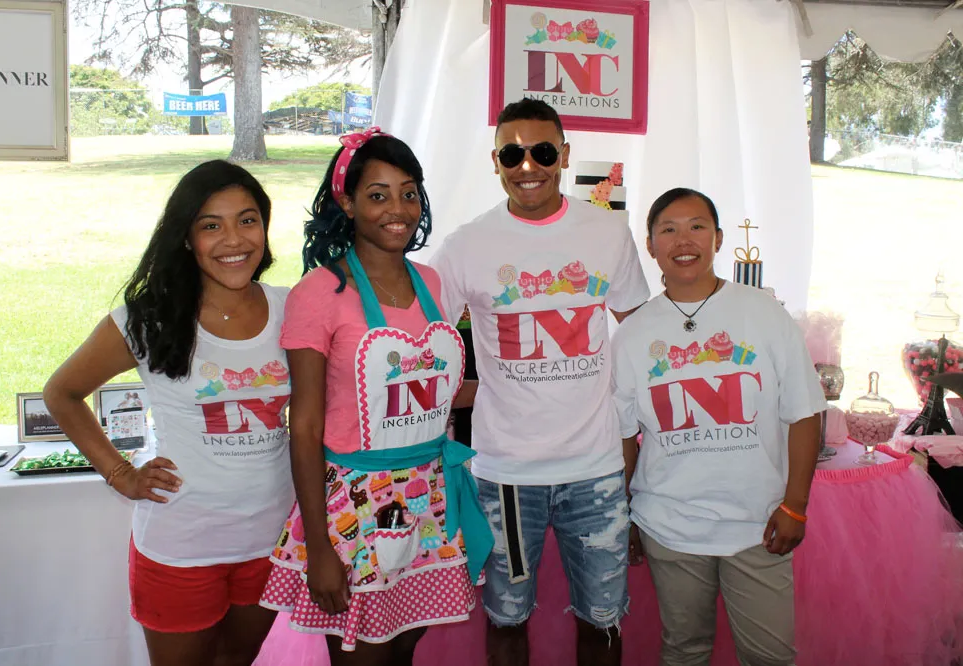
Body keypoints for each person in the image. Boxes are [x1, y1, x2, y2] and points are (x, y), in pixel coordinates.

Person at [43, 160, 292, 666]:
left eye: (247, 220)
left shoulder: (292, 307)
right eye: (211, 225)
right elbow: (62, 393)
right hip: (181, 545)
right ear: (185, 237)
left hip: (270, 540)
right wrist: (120, 474)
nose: (234, 240)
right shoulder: (148, 320)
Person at [430, 98, 650, 666]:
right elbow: (424, 339)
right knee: (506, 620)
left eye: (543, 152)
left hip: (596, 469)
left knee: (603, 622)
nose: (528, 166)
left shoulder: (608, 232)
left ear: (565, 156)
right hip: (506, 473)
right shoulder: (466, 245)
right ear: (495, 162)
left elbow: (639, 333)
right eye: (512, 154)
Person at [259, 127, 491, 665]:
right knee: (363, 654)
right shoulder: (317, 293)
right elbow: (306, 426)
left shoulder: (432, 282)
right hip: (354, 505)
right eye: (378, 195)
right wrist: (320, 545)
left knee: (405, 647)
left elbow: (428, 389)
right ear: (347, 202)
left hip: (430, 496)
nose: (398, 210)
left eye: (409, 193)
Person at [610, 187, 825, 666]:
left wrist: (795, 506)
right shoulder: (633, 335)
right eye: (668, 229)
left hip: (759, 525)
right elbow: (624, 437)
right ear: (651, 245)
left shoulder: (764, 313)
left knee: (770, 657)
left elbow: (804, 412)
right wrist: (624, 514)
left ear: (718, 238)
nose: (683, 240)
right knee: (684, 651)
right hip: (670, 525)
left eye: (697, 226)